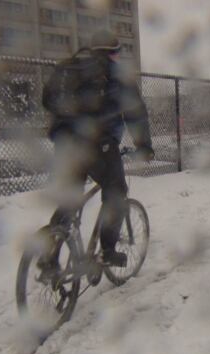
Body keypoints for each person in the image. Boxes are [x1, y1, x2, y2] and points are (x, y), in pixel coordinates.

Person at [39, 29, 154, 275]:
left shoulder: (70, 67)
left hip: (65, 142)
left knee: (71, 198)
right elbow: (135, 113)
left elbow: (46, 100)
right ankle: (108, 251)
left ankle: (50, 253)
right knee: (116, 192)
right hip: (98, 144)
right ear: (114, 53)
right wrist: (144, 145)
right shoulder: (116, 74)